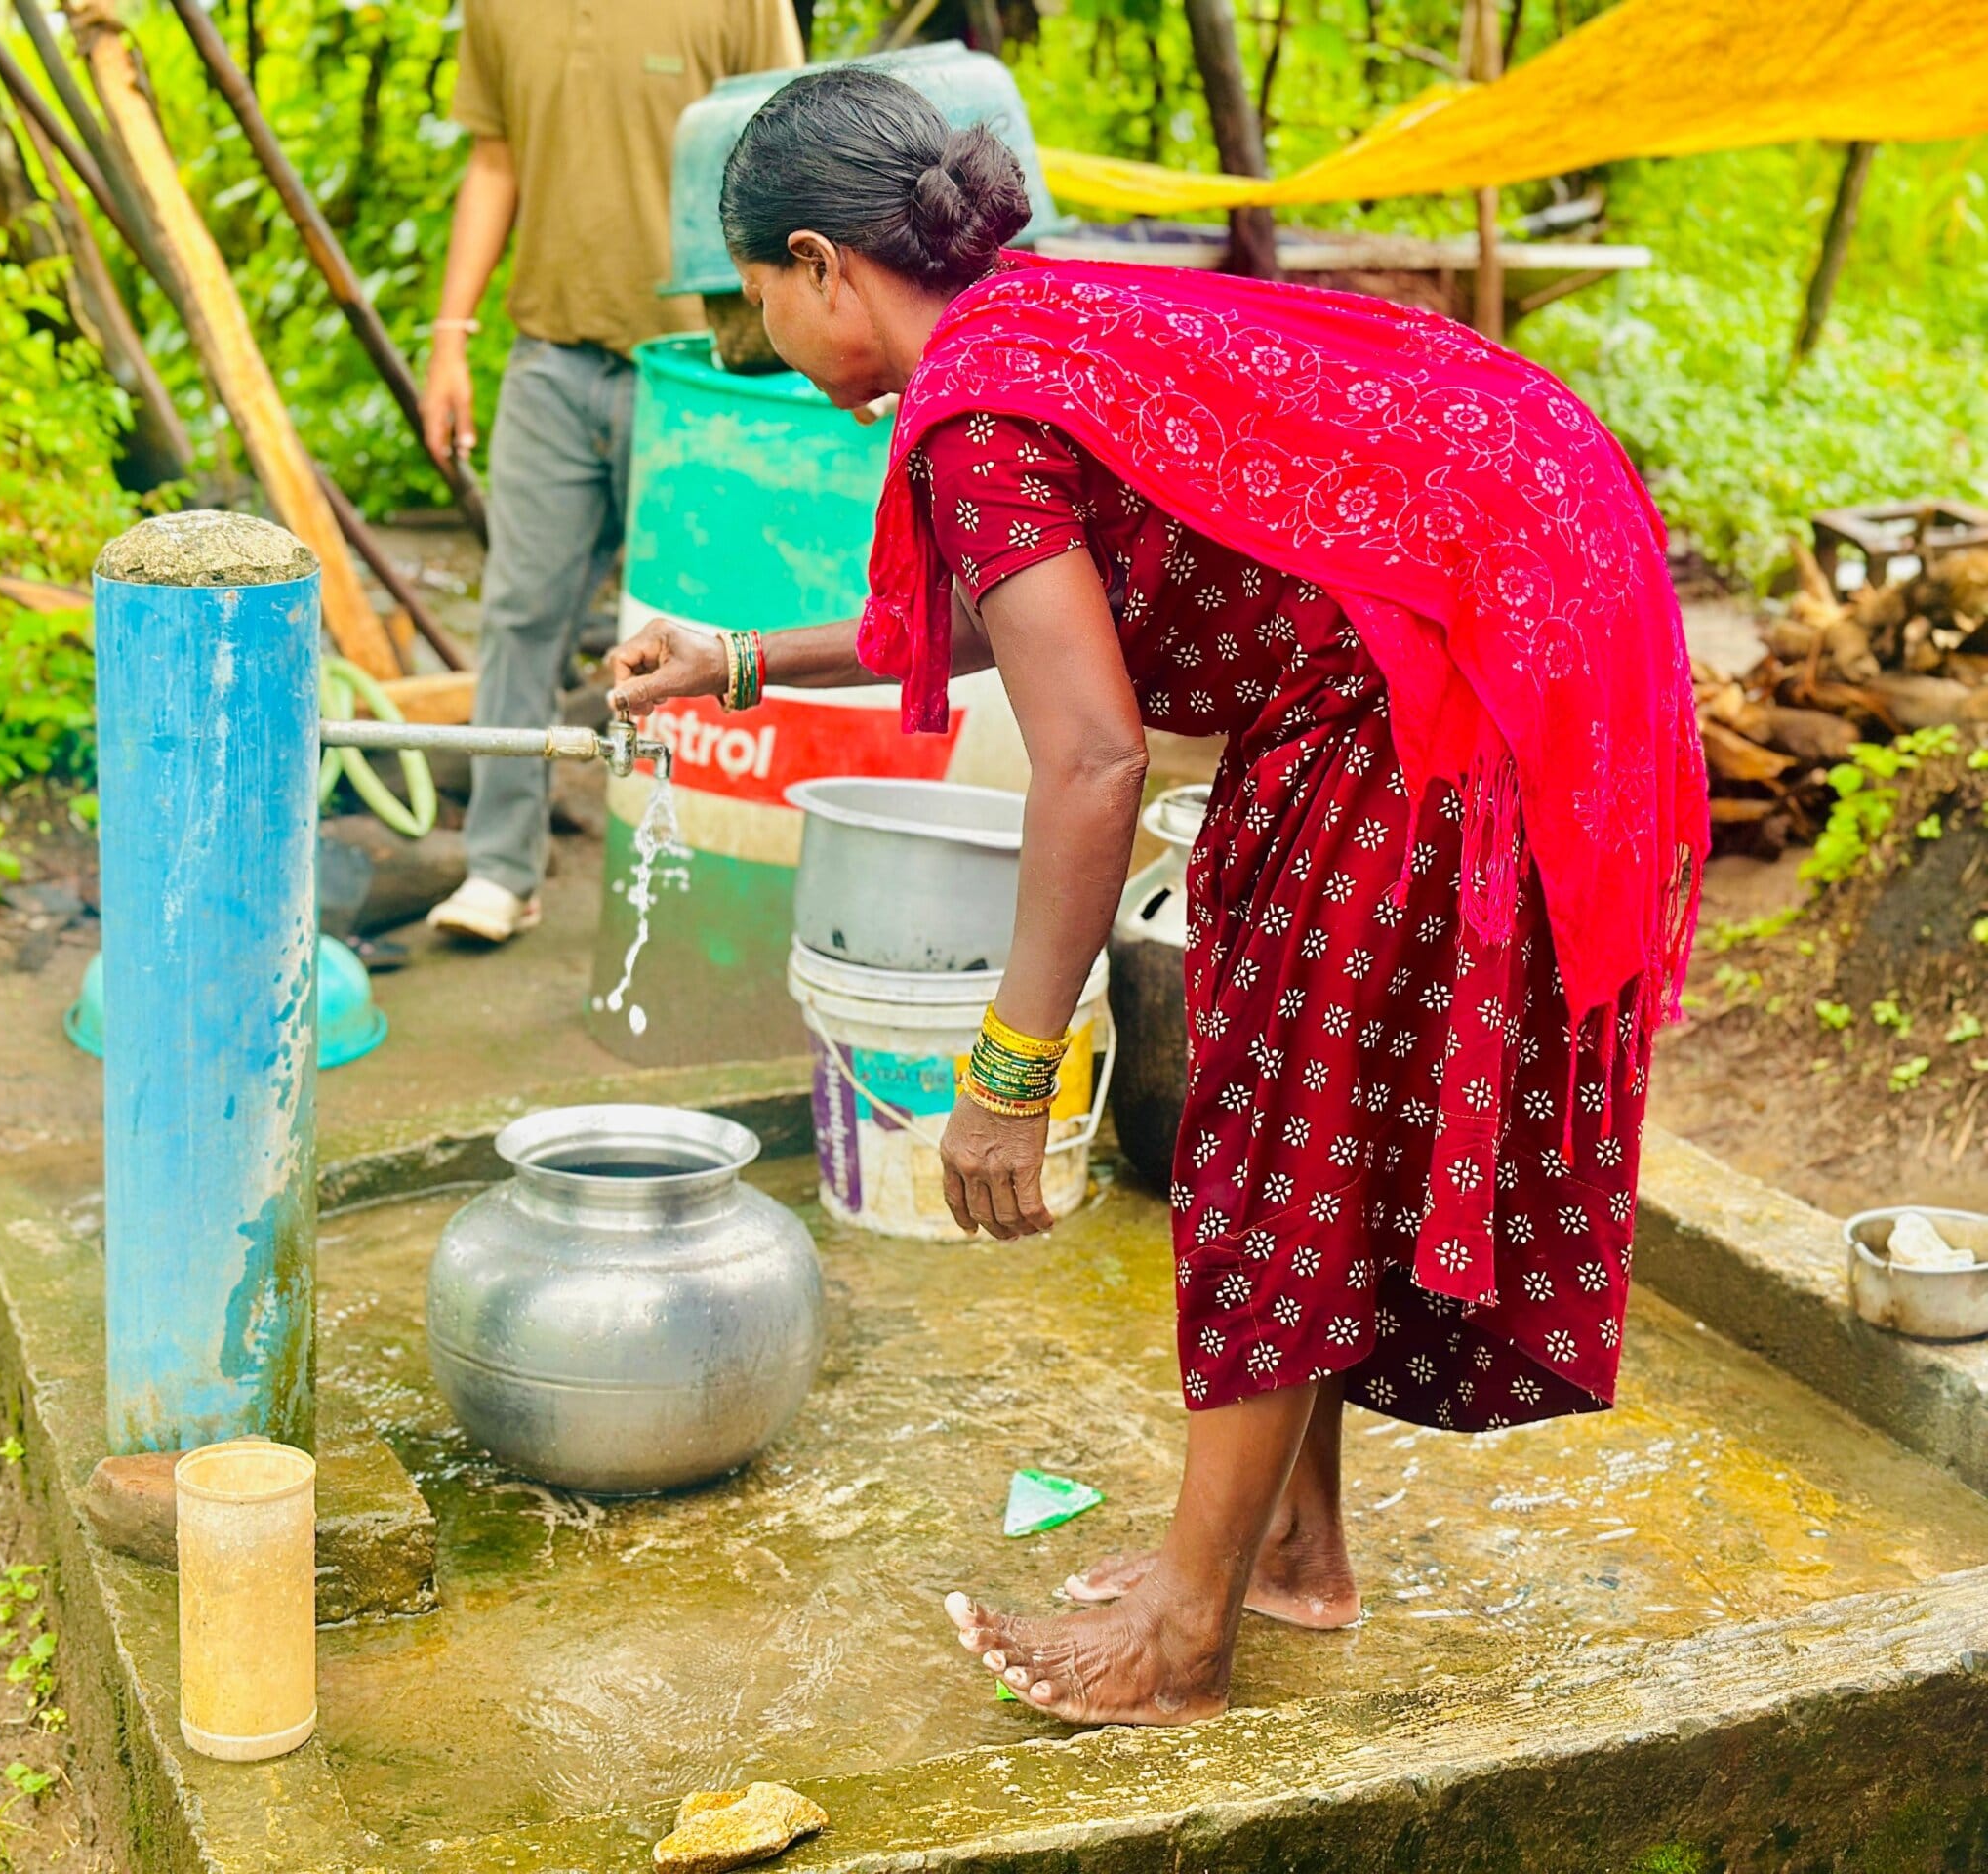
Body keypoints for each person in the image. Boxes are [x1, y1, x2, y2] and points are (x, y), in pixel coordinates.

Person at [607, 68, 1707, 1727]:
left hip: (1426, 697)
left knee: (1278, 1139)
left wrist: (1008, 1070)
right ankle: (1291, 1554)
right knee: (1300, 1127)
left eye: (755, 295)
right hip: (1470, 633)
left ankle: (1183, 1640)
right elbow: (1025, 609)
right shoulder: (1026, 330)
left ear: (820, 263)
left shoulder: (973, 411)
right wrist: (740, 660)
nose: (762, 339)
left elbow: (1093, 756)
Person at [420, 0, 803, 944]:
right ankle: (500, 868)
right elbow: (496, 161)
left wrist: (815, 349)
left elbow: (798, 156)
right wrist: (450, 337)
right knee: (518, 614)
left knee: (715, 622)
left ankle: (713, 878)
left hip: (703, 368)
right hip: (550, 360)